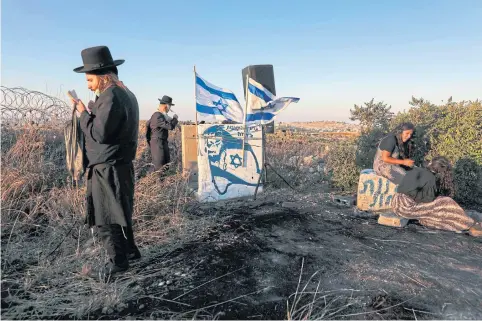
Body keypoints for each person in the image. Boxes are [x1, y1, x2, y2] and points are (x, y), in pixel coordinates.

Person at [69, 45, 141, 281]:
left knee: (106, 217)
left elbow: (99, 134)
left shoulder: (110, 96)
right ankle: (130, 252)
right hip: (119, 164)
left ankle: (117, 263)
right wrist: (93, 110)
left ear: (102, 77)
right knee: (120, 211)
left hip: (107, 167)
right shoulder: (125, 94)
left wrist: (82, 113)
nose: (88, 85)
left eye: (90, 79)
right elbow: (110, 125)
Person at [391, 156, 482, 237]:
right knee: (445, 202)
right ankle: (468, 223)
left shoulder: (416, 169)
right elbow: (429, 199)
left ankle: (466, 222)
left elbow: (405, 189)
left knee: (439, 204)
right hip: (406, 207)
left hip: (396, 202)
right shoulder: (431, 178)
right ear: (440, 170)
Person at [146, 95, 178, 173]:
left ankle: (162, 182)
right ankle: (153, 182)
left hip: (162, 142)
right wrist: (175, 118)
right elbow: (170, 126)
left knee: (166, 164)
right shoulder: (157, 115)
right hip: (157, 143)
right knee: (158, 166)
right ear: (166, 106)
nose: (170, 109)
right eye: (170, 106)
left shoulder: (161, 116)